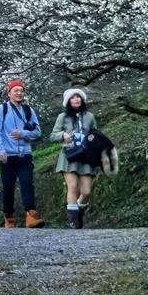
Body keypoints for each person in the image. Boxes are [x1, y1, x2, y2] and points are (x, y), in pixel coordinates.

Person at [0, 79, 45, 228]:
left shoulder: (29, 110)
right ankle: (8, 217)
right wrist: (0, 149)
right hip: (8, 155)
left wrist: (23, 133)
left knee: (27, 183)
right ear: (9, 93)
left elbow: (37, 132)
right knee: (8, 187)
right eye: (16, 90)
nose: (19, 93)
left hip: (25, 154)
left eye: (21, 90)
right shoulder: (2, 109)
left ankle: (31, 216)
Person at [50, 87, 100, 229]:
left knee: (86, 191)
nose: (76, 99)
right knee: (72, 187)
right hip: (69, 154)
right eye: (73, 97)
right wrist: (62, 136)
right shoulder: (62, 117)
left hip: (86, 156)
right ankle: (74, 221)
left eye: (78, 96)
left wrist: (92, 138)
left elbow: (96, 133)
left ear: (82, 99)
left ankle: (77, 211)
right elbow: (53, 135)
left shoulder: (90, 116)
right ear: (68, 101)